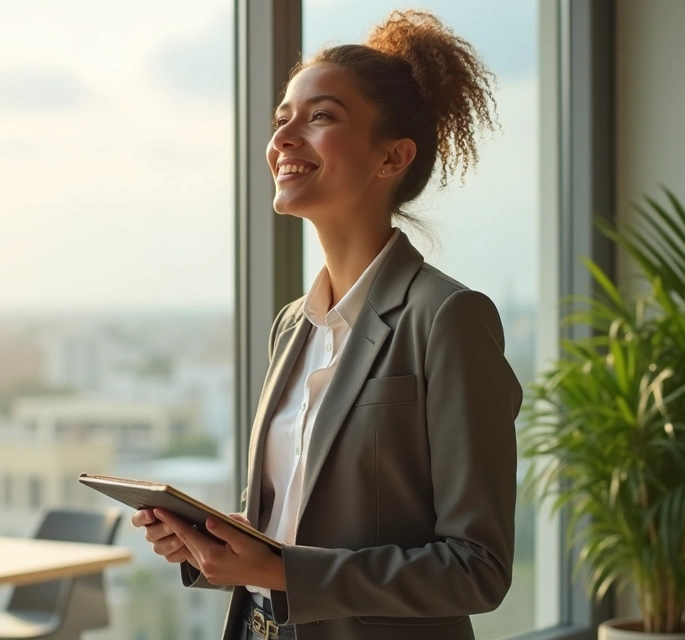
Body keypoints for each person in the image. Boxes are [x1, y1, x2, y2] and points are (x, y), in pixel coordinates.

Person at [131, 9, 522, 640]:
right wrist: (212, 545)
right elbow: (295, 520)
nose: (284, 135)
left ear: (392, 156)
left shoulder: (447, 319)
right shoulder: (293, 326)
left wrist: (286, 571)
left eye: (321, 116)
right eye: (283, 117)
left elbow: (478, 569)